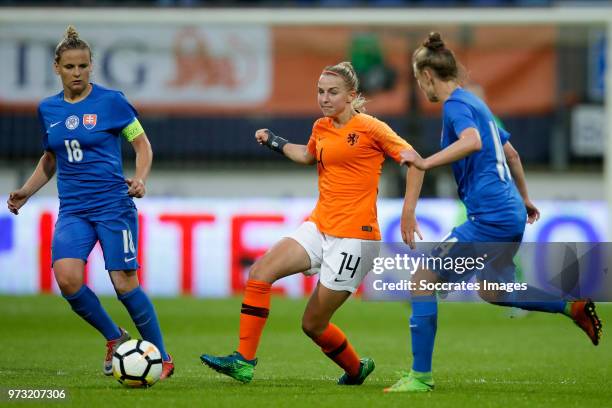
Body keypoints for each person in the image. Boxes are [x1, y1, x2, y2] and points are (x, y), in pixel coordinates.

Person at [384, 32, 603, 393]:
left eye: (417, 78)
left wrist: (425, 162)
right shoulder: (477, 103)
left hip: (490, 216)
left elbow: (473, 142)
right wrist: (525, 199)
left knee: (422, 281)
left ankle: (420, 377)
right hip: (509, 212)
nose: (420, 87)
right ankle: (570, 307)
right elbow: (511, 154)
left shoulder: (455, 106)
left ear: (426, 75)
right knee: (493, 290)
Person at [200, 61, 424, 384]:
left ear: (352, 96)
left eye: (333, 92)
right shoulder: (321, 127)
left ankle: (356, 369)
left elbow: (415, 161)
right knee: (260, 273)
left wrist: (407, 212)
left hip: (356, 239)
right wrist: (274, 141)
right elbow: (306, 156)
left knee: (312, 325)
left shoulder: (371, 128)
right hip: (320, 226)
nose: (325, 98)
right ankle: (244, 361)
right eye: (320, 92)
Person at [6, 26, 174, 380]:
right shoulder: (48, 108)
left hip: (113, 205)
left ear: (91, 66)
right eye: (70, 67)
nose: (77, 73)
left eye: (83, 66)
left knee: (124, 281)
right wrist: (26, 191)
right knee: (67, 280)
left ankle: (161, 354)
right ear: (57, 68)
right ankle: (115, 337)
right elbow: (51, 158)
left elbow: (141, 145)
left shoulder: (111, 102)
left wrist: (141, 178)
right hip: (74, 210)